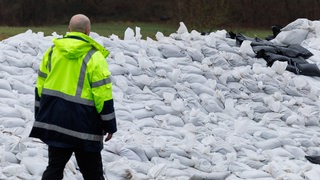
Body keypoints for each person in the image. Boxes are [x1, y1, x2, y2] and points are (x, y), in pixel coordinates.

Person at [29, 14, 117, 180]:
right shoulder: (94, 57)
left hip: (56, 124)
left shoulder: (52, 52)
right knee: (93, 174)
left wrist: (41, 116)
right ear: (88, 31)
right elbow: (103, 95)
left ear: (68, 29)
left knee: (54, 169)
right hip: (85, 128)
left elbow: (40, 87)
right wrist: (110, 125)